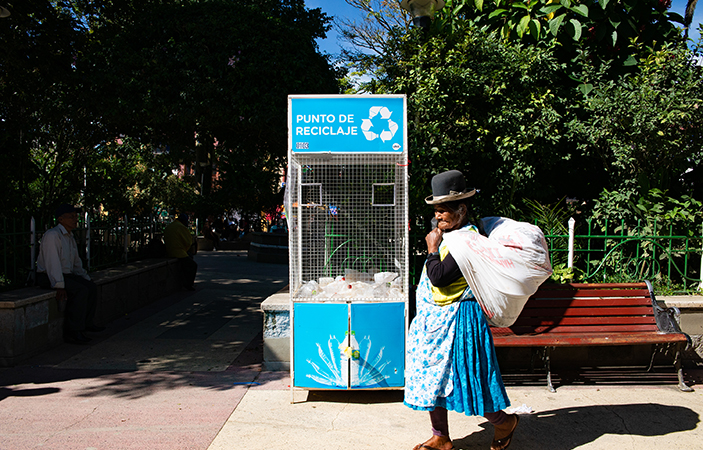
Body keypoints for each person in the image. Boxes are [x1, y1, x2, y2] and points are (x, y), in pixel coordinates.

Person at [405, 170, 519, 450]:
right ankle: (440, 436)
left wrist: (432, 249)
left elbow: (439, 276)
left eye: (444, 212)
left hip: (460, 321)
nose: (438, 217)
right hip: (436, 321)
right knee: (433, 379)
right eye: (436, 212)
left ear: (462, 209)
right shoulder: (451, 235)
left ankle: (504, 422)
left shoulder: (466, 241)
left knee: (470, 380)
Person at [36, 204, 105, 345]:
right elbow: (52, 262)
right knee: (80, 291)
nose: (75, 220)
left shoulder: (69, 236)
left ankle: (87, 323)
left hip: (66, 274)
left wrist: (85, 277)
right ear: (60, 219)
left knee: (90, 287)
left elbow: (75, 262)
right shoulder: (53, 235)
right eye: (71, 217)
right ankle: (73, 331)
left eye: (76, 217)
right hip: (48, 276)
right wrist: (58, 284)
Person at [164, 213, 197, 291]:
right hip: (179, 252)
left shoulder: (170, 226)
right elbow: (188, 242)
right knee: (192, 265)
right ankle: (188, 284)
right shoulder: (182, 227)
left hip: (169, 250)